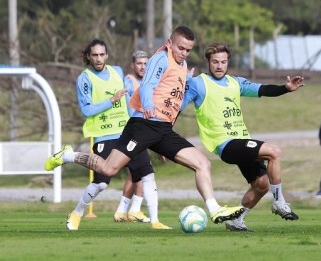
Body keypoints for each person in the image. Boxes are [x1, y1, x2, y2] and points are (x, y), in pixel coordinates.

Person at [45, 26, 244, 227]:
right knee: (108, 169)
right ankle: (67, 156)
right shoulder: (161, 58)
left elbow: (174, 104)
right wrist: (147, 106)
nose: (184, 53)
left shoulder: (183, 66)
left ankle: (214, 209)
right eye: (181, 48)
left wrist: (163, 143)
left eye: (188, 50)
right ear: (170, 43)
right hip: (142, 125)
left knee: (203, 163)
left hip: (163, 129)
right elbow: (147, 85)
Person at [184, 41, 304, 232]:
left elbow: (262, 90)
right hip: (225, 144)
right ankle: (280, 202)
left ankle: (236, 220)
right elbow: (176, 107)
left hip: (241, 140)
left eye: (223, 62)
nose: (219, 66)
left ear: (228, 62)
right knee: (274, 152)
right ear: (208, 62)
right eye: (215, 62)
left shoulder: (235, 82)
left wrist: (285, 88)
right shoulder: (198, 83)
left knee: (262, 184)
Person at [67, 40, 159, 230]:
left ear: (107, 55)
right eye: (95, 55)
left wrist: (142, 127)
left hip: (127, 132)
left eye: (102, 54)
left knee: (146, 173)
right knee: (101, 183)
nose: (99, 59)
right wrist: (111, 100)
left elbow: (127, 102)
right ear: (88, 57)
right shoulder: (85, 78)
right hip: (104, 135)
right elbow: (86, 110)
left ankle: (155, 221)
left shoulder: (117, 71)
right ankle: (77, 212)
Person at [113, 50, 151, 223]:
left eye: (145, 63)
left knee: (134, 174)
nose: (143, 67)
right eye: (139, 63)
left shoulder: (147, 83)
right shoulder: (129, 82)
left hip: (139, 132)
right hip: (133, 133)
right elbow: (129, 111)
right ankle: (135, 209)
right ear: (132, 65)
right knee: (144, 172)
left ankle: (121, 211)